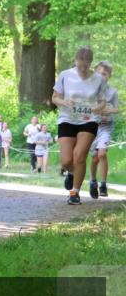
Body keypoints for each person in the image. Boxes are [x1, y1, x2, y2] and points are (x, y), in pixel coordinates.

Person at [52, 46, 107, 205]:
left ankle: (74, 193)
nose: (82, 68)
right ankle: (71, 173)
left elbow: (103, 101)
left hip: (89, 119)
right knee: (67, 161)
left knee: (80, 155)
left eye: (86, 65)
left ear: (90, 63)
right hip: (67, 118)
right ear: (75, 61)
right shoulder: (65, 75)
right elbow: (55, 97)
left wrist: (98, 107)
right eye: (79, 64)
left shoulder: (98, 79)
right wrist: (65, 102)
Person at [89, 61, 119, 198]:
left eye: (105, 74)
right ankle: (92, 181)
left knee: (101, 154)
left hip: (106, 126)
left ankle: (103, 183)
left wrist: (108, 110)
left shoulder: (112, 92)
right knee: (94, 158)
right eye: (100, 73)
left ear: (109, 76)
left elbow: (117, 108)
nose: (102, 76)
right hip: (91, 126)